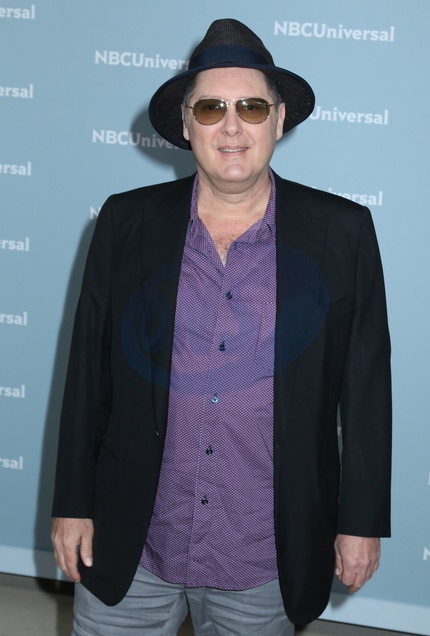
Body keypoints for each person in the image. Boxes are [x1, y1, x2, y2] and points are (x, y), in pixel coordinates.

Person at [51, 18, 392, 636]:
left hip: (263, 555)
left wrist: (361, 521)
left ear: (278, 121)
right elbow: (86, 376)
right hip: (133, 542)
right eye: (211, 108)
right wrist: (72, 504)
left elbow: (366, 392)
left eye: (251, 107)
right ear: (187, 126)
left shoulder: (342, 233)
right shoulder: (125, 222)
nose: (231, 126)